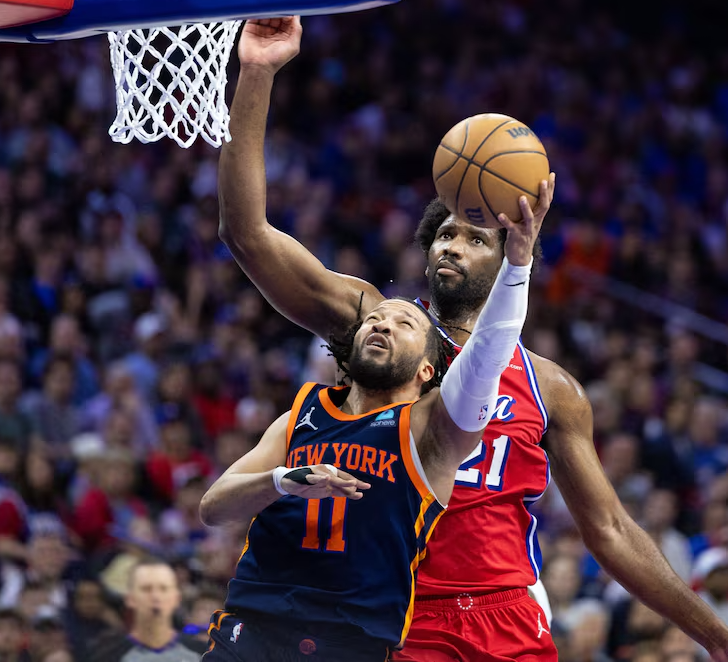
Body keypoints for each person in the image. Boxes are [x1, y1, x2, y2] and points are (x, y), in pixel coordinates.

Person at [219, 15, 728, 662]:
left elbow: (610, 529)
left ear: (513, 250)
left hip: (507, 617)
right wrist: (257, 72)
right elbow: (246, 234)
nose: (452, 246)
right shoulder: (378, 323)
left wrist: (719, 637)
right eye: (444, 235)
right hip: (397, 617)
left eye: (474, 237)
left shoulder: (551, 386)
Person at [199, 171, 540, 659]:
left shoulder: (430, 431)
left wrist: (518, 266)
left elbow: (487, 354)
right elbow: (213, 508)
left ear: (428, 369)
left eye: (405, 323)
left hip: (350, 644)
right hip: (253, 630)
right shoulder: (303, 414)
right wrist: (282, 481)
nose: (383, 324)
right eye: (376, 319)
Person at [88, 559, 205, 662]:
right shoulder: (106, 656)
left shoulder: (203, 654)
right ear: (130, 598)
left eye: (163, 589)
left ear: (177, 598)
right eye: (146, 589)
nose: (155, 597)